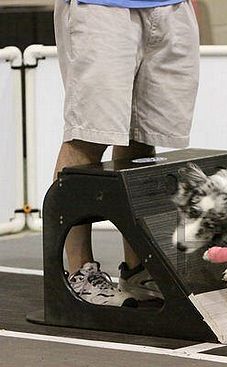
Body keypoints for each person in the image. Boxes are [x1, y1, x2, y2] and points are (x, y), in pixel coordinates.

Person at [53, 0, 200, 306]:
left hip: (170, 7)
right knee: (87, 137)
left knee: (142, 141)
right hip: (101, 7)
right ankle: (78, 271)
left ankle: (138, 270)